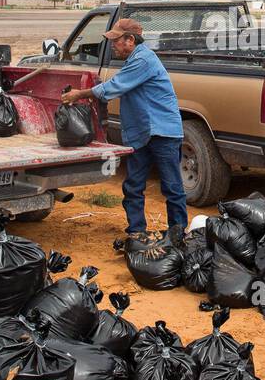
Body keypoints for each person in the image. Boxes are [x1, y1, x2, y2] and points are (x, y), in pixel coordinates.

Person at [60, 18, 188, 238]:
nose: (113, 45)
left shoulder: (144, 60)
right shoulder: (134, 60)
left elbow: (114, 87)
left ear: (130, 40)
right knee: (133, 186)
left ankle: (177, 235)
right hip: (143, 133)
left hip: (162, 132)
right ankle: (136, 232)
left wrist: (80, 94)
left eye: (117, 40)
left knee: (172, 187)